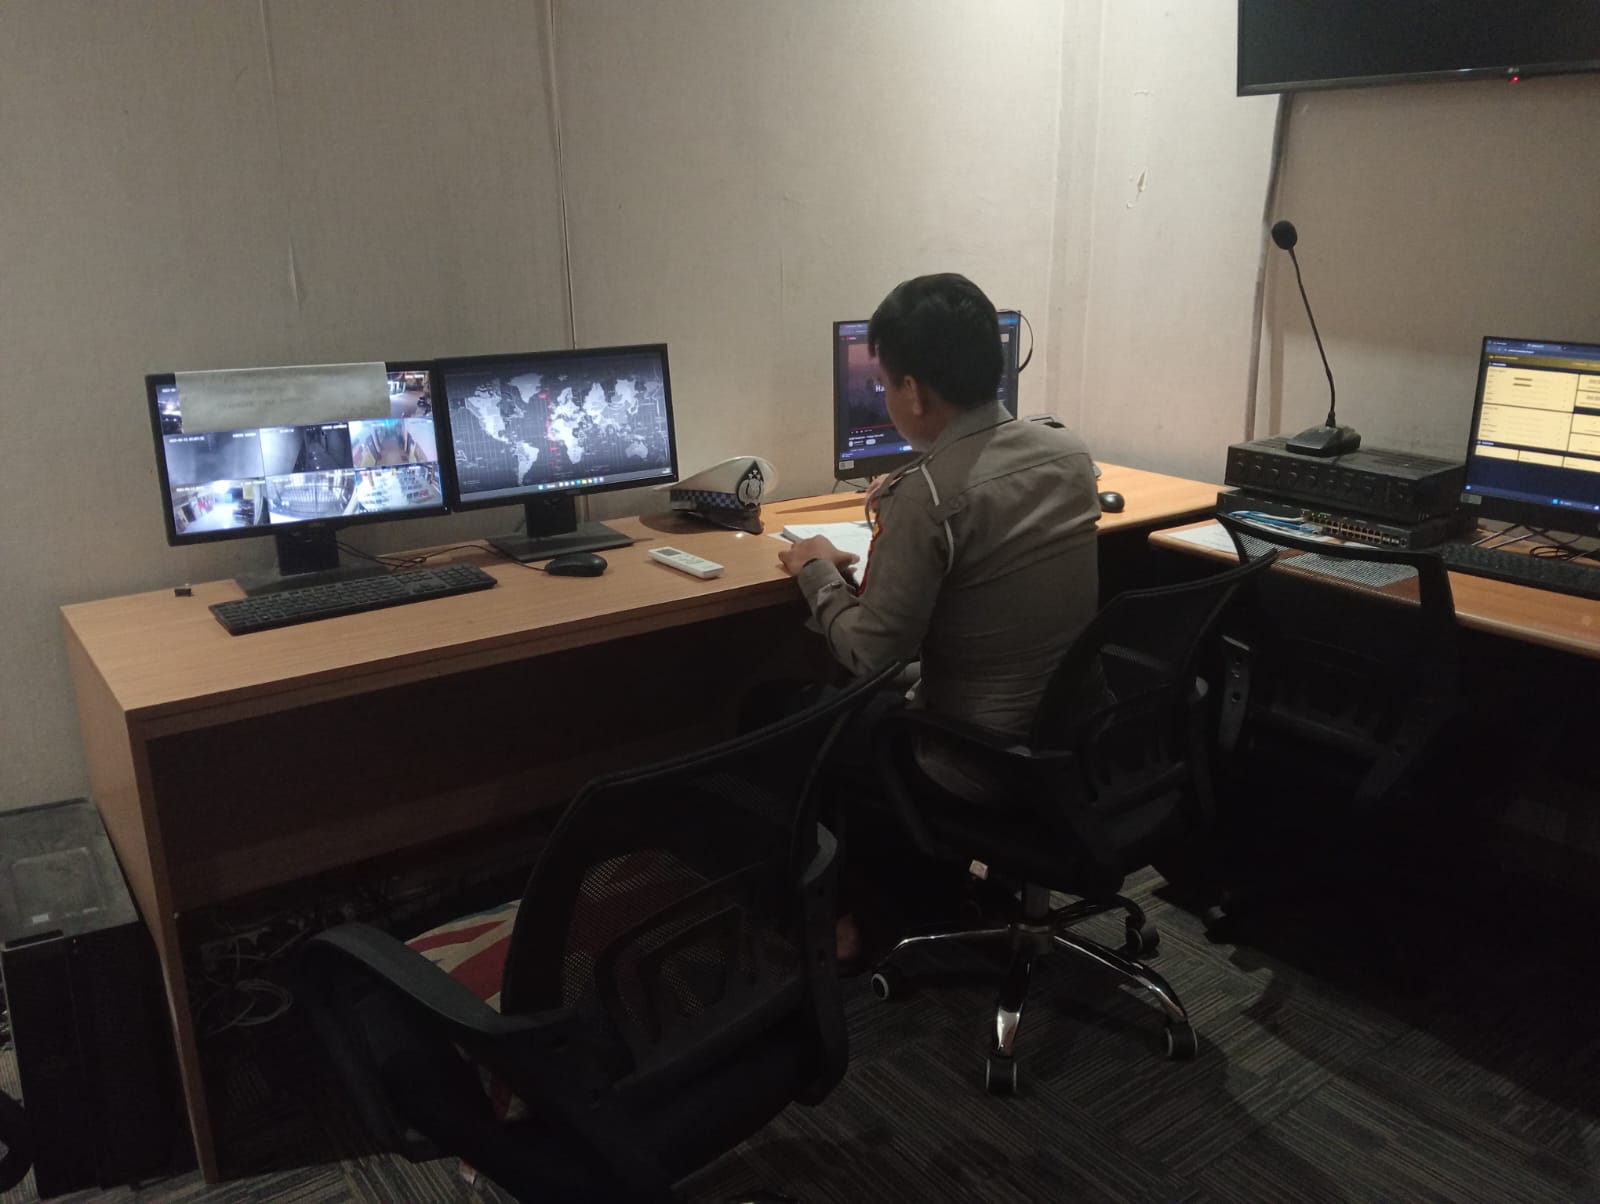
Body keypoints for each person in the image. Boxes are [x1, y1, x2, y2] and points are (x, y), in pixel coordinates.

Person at [775, 272, 1102, 960]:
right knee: (863, 706)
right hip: (1073, 738)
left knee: (796, 715)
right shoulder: (1070, 455)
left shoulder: (928, 497)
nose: (886, 397)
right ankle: (932, 889)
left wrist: (815, 570)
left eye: (884, 385)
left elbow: (872, 655)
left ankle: (853, 924)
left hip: (976, 760)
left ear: (914, 392)